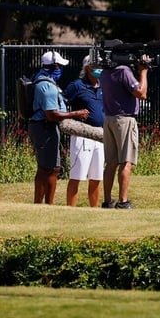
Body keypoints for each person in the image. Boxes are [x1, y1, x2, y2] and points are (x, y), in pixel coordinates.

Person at [28, 51, 90, 204]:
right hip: (45, 128)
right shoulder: (47, 87)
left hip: (41, 127)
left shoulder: (40, 79)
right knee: (51, 168)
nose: (61, 69)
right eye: (60, 66)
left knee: (45, 167)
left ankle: (40, 203)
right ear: (54, 66)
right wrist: (76, 114)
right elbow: (52, 115)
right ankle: (47, 204)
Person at [101, 50, 151, 209]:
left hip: (109, 119)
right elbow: (141, 93)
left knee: (111, 163)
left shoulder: (105, 72)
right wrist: (143, 71)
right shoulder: (123, 71)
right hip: (124, 120)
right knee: (126, 161)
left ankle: (107, 201)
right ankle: (123, 201)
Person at [62, 55, 105, 207]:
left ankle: (94, 210)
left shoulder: (103, 86)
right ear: (87, 68)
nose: (100, 68)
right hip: (82, 135)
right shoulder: (77, 85)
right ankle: (71, 210)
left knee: (96, 177)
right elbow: (62, 102)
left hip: (100, 136)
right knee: (77, 176)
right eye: (96, 66)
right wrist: (74, 114)